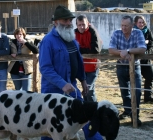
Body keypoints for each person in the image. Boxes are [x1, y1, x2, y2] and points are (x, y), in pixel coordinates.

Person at [39, 5, 103, 140]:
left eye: (70, 20)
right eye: (64, 20)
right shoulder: (48, 41)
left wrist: (84, 80)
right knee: (51, 126)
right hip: (53, 91)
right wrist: (62, 84)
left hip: (72, 89)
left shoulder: (72, 40)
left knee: (85, 117)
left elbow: (78, 63)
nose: (68, 23)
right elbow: (45, 68)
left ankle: (95, 138)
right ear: (55, 22)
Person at [108, 15, 146, 126]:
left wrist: (128, 51)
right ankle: (128, 111)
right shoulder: (116, 33)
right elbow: (111, 49)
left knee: (137, 91)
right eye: (122, 25)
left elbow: (142, 48)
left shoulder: (138, 33)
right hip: (121, 65)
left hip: (135, 66)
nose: (123, 28)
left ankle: (135, 116)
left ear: (132, 25)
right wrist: (121, 53)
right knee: (125, 91)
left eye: (126, 26)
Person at [75, 14, 102, 102]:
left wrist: (80, 50)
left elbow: (96, 49)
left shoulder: (92, 32)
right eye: (79, 25)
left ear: (88, 23)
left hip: (92, 66)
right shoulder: (74, 33)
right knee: (85, 90)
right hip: (81, 67)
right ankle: (87, 110)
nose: (82, 27)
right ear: (76, 25)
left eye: (83, 24)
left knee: (89, 90)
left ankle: (93, 109)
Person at [134, 15, 153, 102]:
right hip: (135, 60)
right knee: (136, 80)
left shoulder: (147, 31)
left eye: (142, 22)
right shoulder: (132, 31)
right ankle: (135, 98)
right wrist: (144, 42)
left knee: (150, 76)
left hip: (145, 59)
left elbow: (151, 43)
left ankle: (147, 97)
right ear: (135, 23)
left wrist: (147, 50)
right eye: (139, 22)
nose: (141, 24)